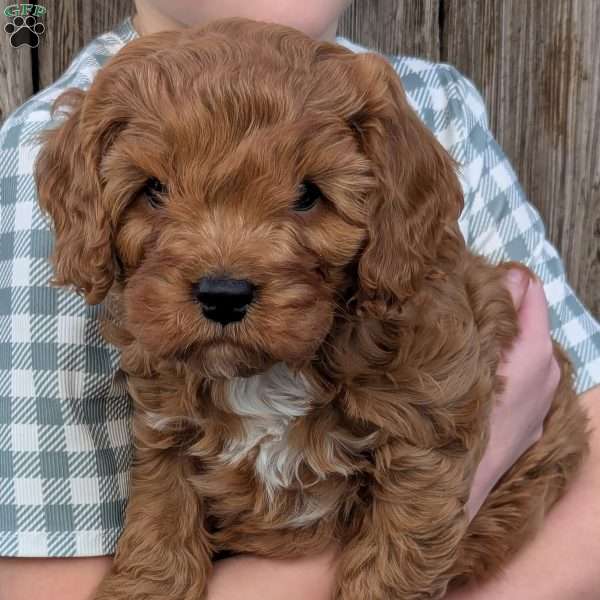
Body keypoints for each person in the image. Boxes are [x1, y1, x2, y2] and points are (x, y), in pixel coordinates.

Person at [0, 1, 598, 599]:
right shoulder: (35, 154)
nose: (223, 269)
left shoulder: (436, 103)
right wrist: (485, 457)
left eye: (307, 197)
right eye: (156, 193)